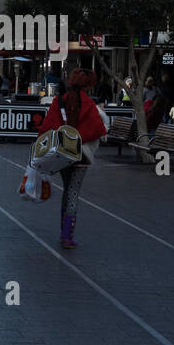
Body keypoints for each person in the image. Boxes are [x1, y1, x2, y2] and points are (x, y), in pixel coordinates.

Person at [36, 68, 108, 250]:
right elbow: (98, 129)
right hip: (81, 155)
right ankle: (67, 235)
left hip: (62, 154)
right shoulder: (89, 104)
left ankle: (64, 232)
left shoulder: (59, 101)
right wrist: (80, 137)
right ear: (88, 85)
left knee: (67, 190)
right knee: (73, 192)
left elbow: (47, 127)